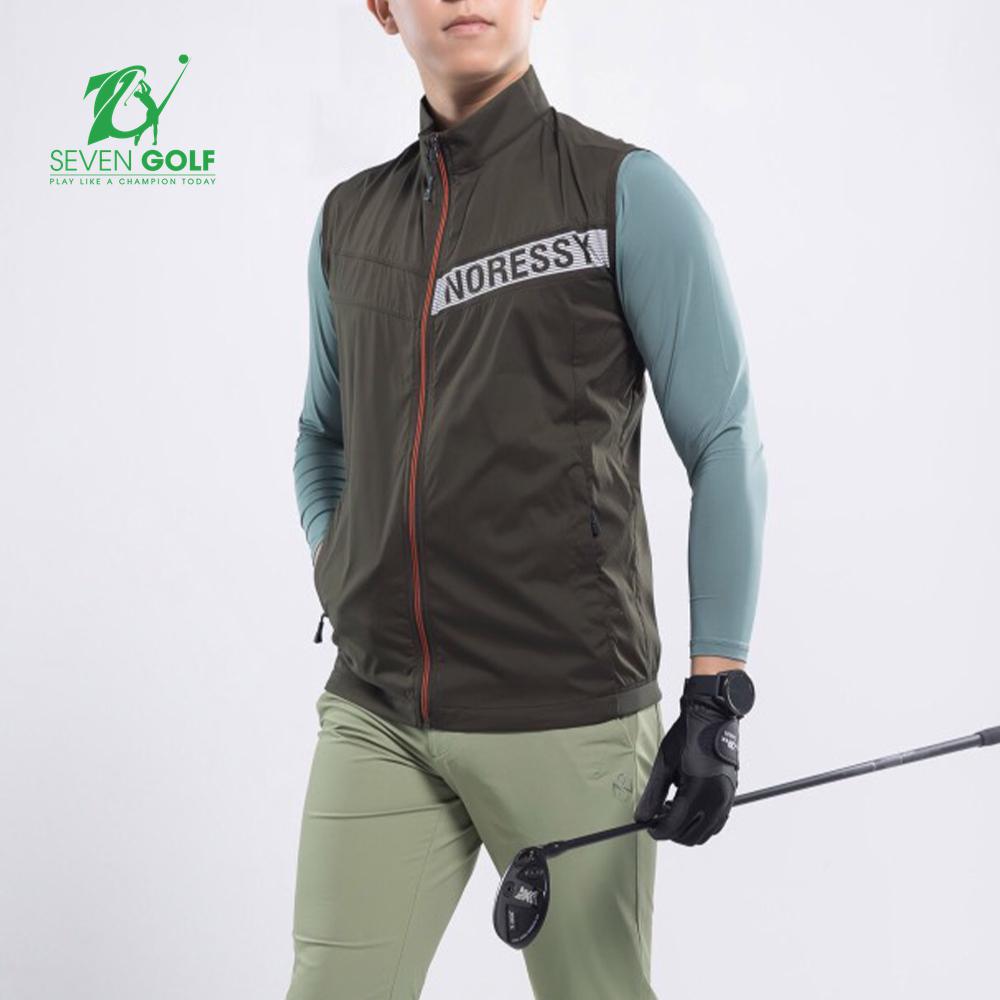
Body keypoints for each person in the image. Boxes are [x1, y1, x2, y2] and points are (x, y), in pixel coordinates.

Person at [287, 1, 767, 997]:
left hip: (565, 711)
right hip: (377, 710)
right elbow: (320, 437)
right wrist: (342, 561)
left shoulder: (622, 192)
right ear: (382, 9)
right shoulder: (348, 222)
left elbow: (723, 441)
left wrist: (716, 692)